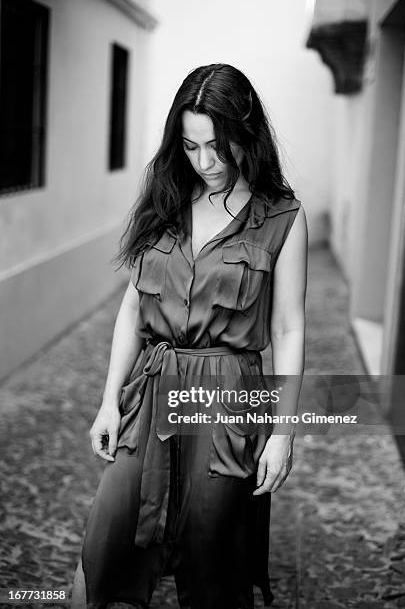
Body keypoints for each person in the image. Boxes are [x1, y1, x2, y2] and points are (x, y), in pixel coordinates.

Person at [71, 63, 308, 609]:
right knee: (109, 537)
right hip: (151, 395)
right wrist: (109, 402)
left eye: (219, 148)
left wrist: (283, 433)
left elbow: (289, 327)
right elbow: (133, 305)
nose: (206, 163)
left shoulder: (282, 216)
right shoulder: (167, 198)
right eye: (191, 146)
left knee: (212, 556)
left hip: (226, 401)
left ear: (247, 137)